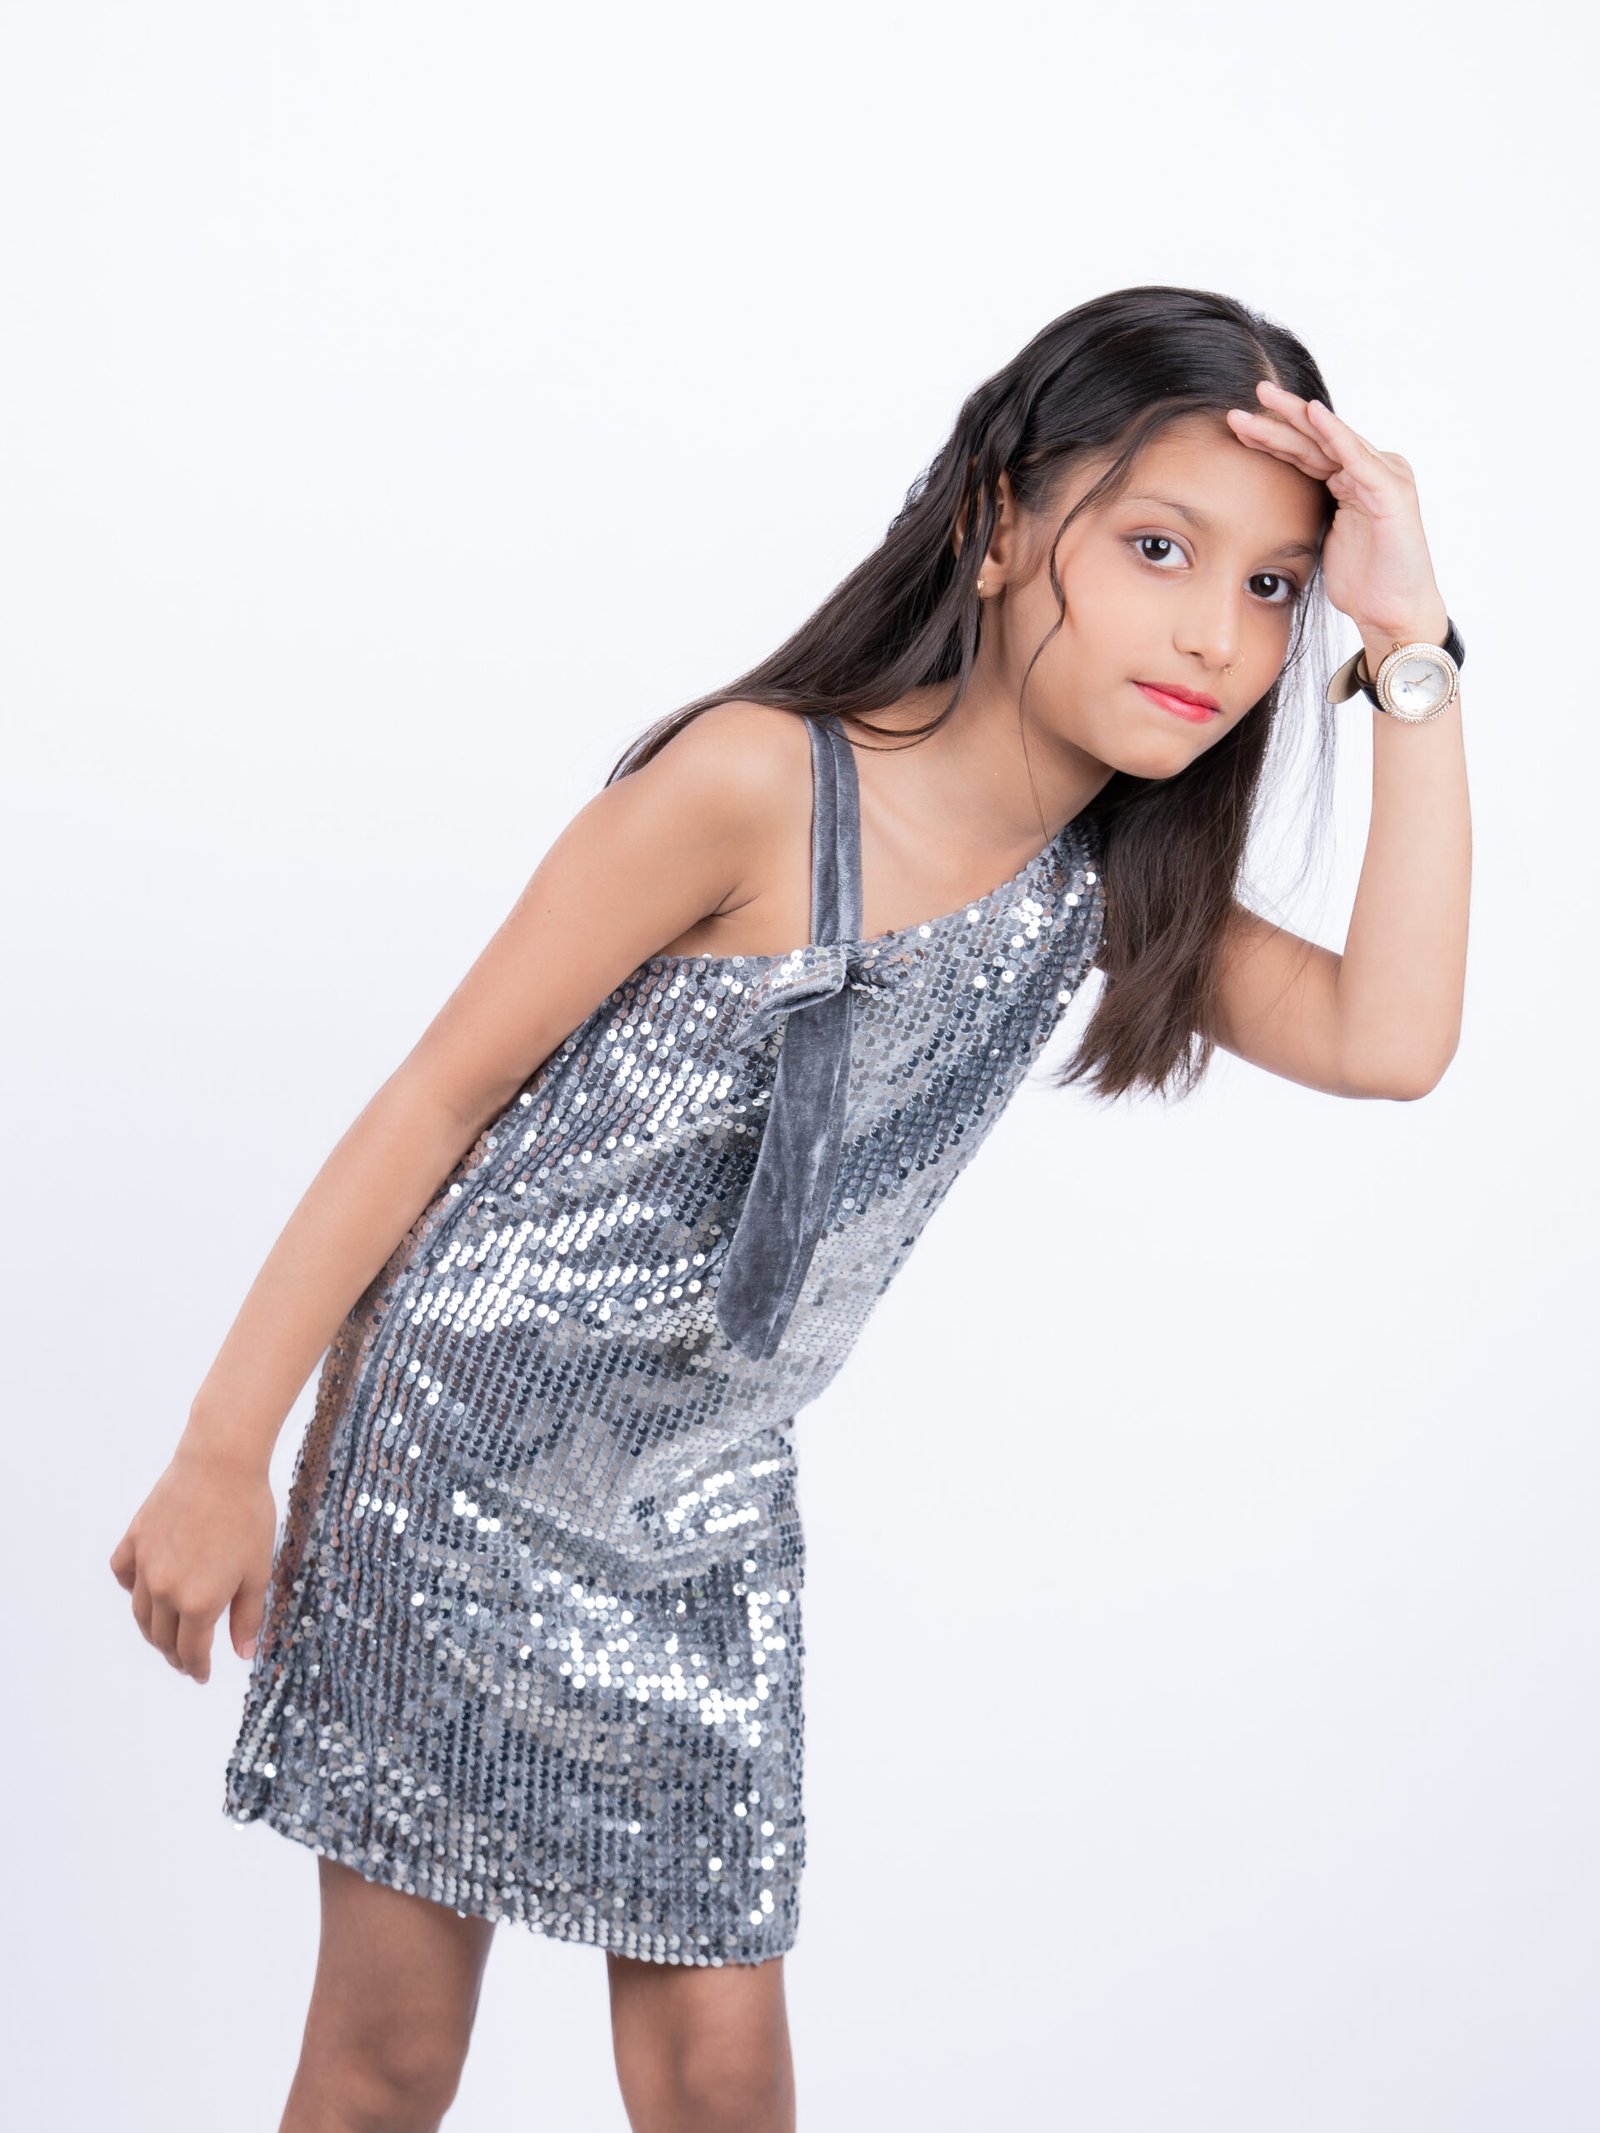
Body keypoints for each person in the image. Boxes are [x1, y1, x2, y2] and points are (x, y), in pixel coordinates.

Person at [109, 283, 1471, 2133]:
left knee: (723, 2076)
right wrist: (222, 1448)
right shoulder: (759, 780)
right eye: (1157, 547)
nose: (1216, 633)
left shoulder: (1099, 887)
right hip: (459, 1461)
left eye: (1272, 586)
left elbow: (1394, 1038)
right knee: (388, 2059)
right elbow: (436, 1096)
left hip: (704, 1505)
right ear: (999, 525)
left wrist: (1409, 643)